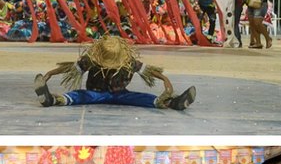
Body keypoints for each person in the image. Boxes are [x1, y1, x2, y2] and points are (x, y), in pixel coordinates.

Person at [34, 35, 196, 110]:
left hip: (120, 94)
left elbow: (150, 72)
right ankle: (53, 100)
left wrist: (165, 80)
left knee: (140, 98)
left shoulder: (130, 63)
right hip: (95, 93)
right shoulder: (92, 60)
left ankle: (172, 103)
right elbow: (70, 68)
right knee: (80, 95)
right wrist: (51, 73)